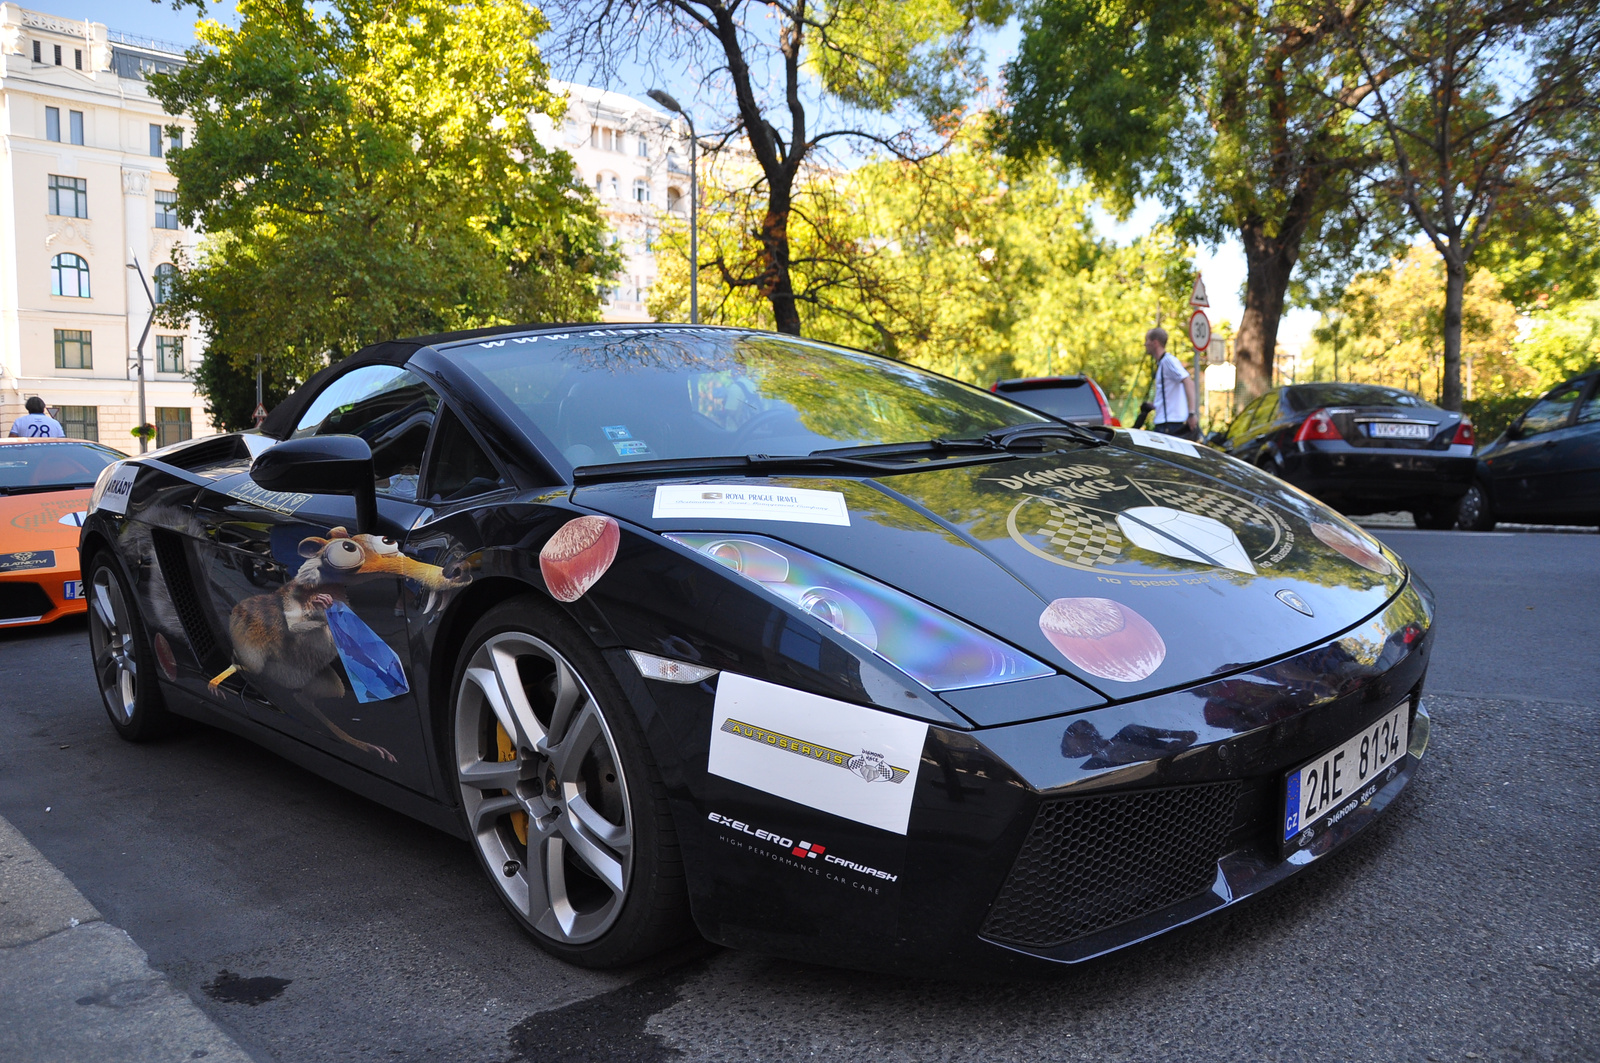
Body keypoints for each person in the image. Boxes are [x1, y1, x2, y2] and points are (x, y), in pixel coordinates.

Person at [1144, 328, 1198, 439]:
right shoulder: (1162, 363)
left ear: (1155, 343)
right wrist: (1155, 405)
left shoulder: (1168, 361)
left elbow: (1188, 382)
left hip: (1170, 424)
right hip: (1166, 422)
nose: (1145, 344)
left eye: (1147, 341)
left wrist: (1192, 413)